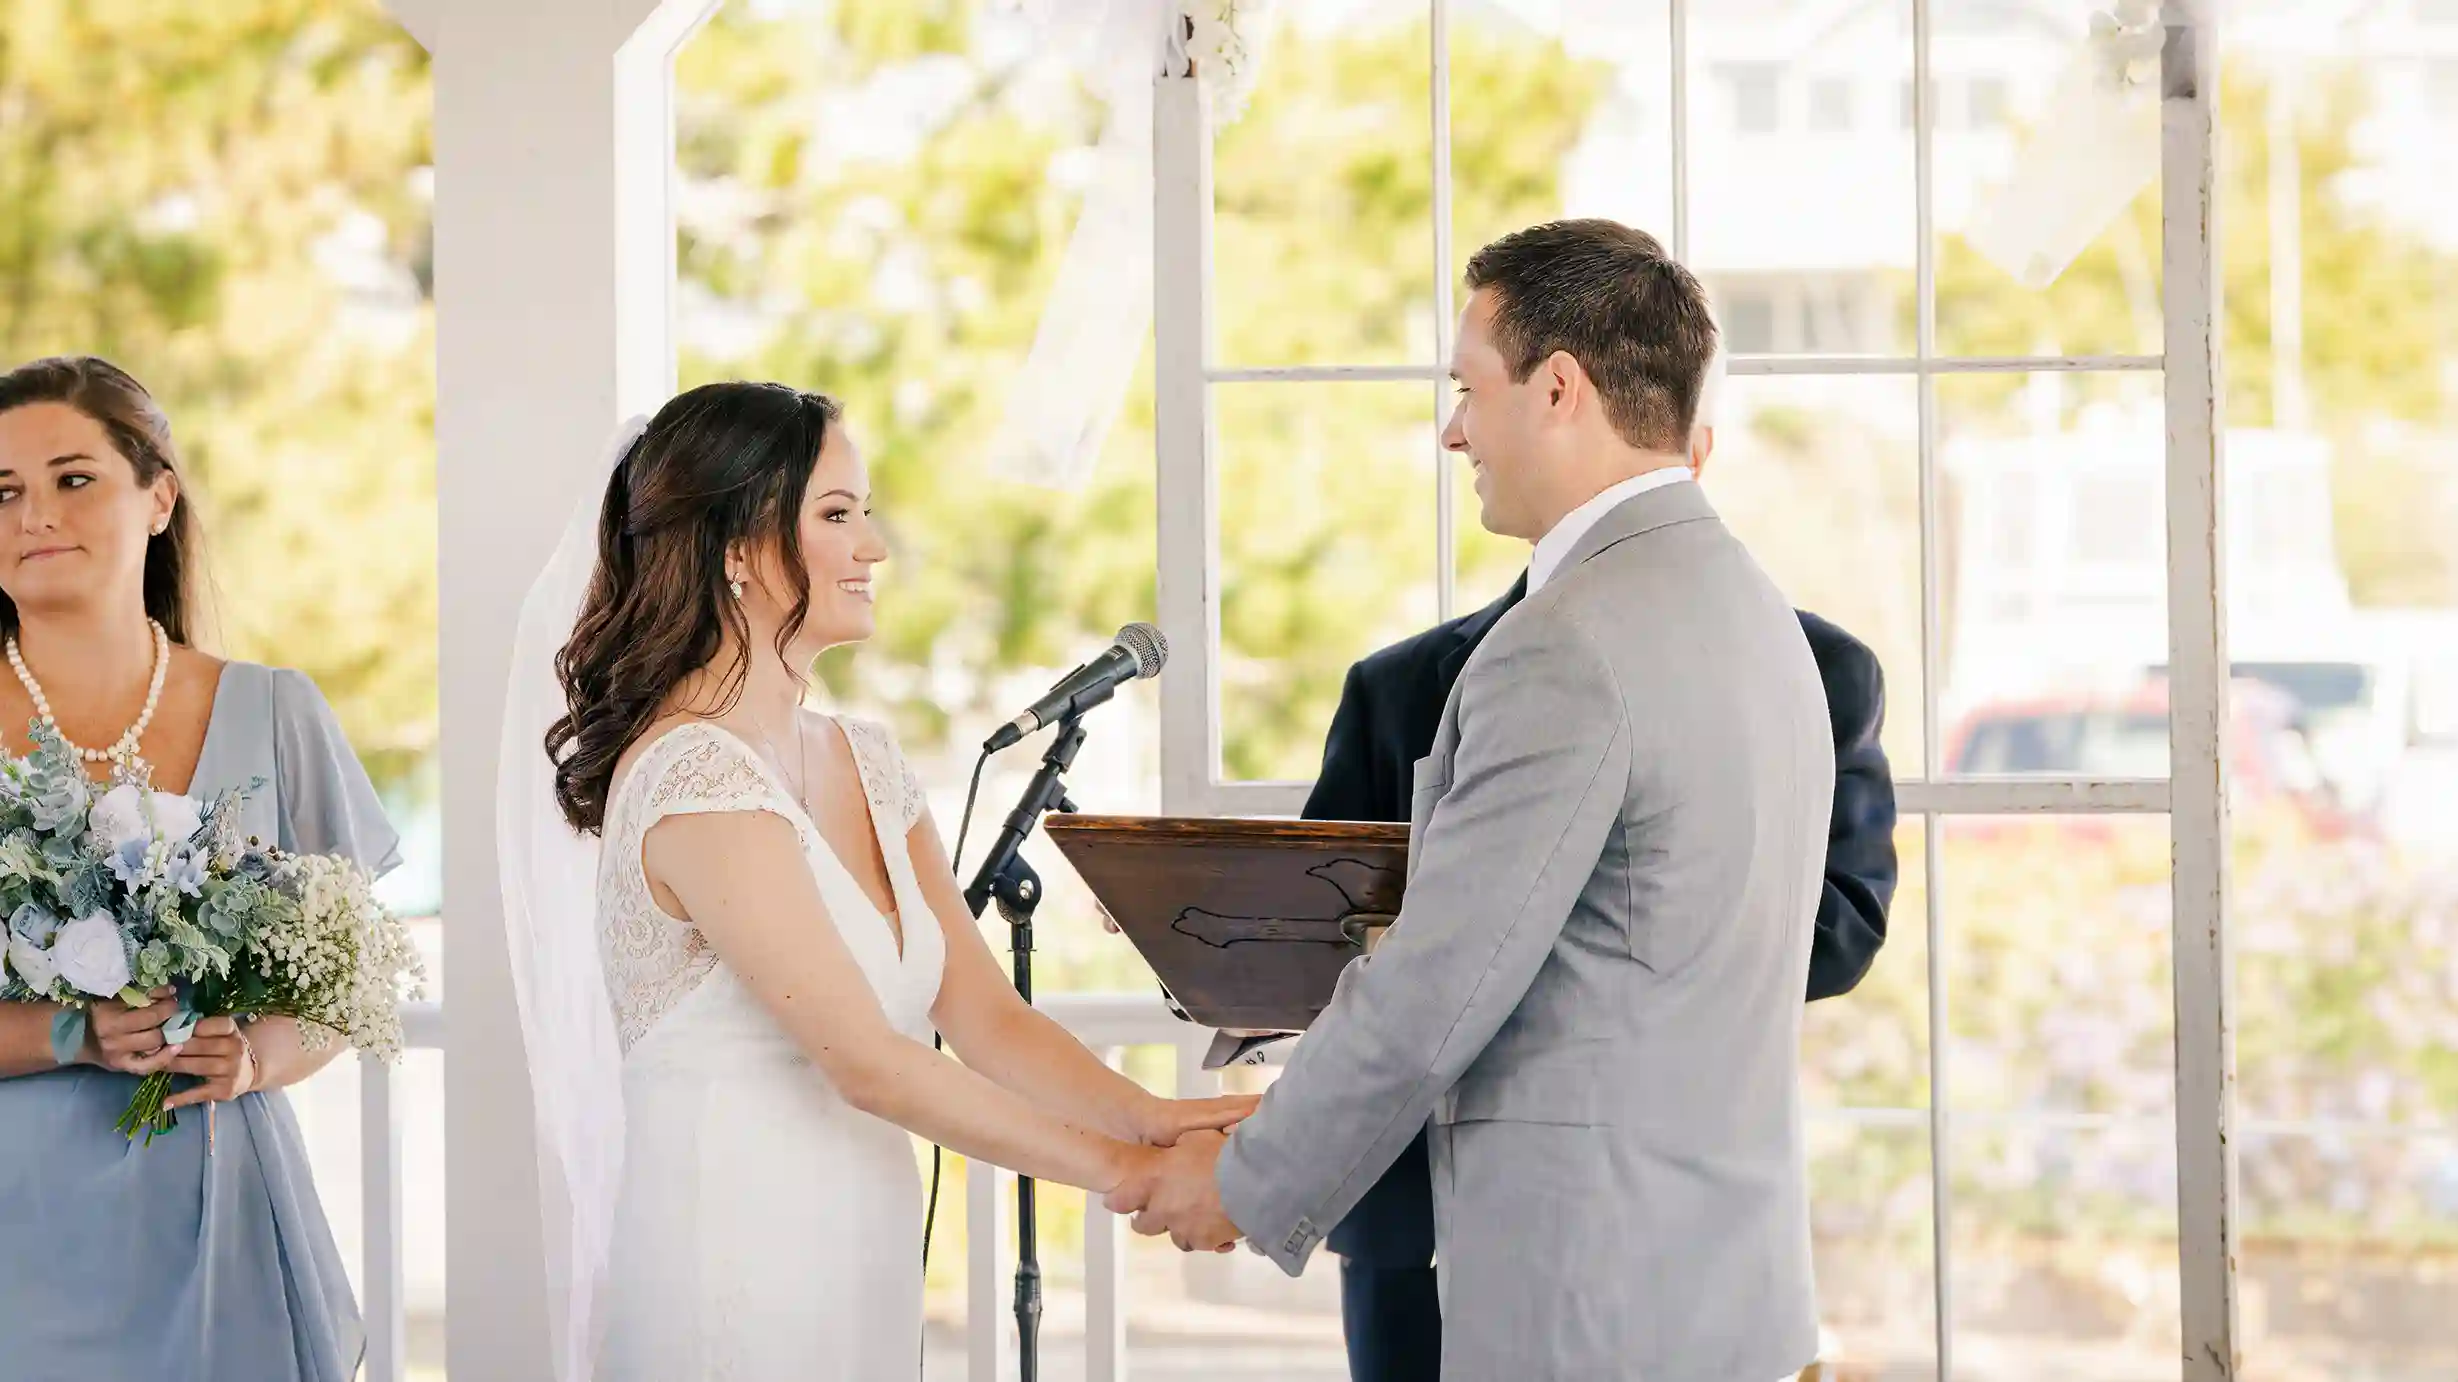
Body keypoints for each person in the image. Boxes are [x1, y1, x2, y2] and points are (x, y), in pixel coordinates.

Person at [1109, 220, 1837, 1381]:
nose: (1454, 429)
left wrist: (1248, 1186)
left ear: (1558, 388)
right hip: (1731, 1285)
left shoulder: (1564, 644)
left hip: (1590, 1291)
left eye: (1467, 386)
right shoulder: (1756, 616)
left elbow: (1440, 983)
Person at [502, 380, 1256, 1382]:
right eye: (836, 514)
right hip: (732, 1269)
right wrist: (1130, 1174)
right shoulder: (692, 775)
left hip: (858, 1254)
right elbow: (866, 1060)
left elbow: (987, 1016)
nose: (875, 546)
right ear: (736, 546)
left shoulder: (868, 757)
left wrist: (1153, 1114)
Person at [1299, 348, 1897, 1381]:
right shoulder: (1396, 683)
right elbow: (1319, 918)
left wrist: (1565, 933)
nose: (1453, 432)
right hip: (1402, 1204)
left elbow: (1837, 929)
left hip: (1627, 1208)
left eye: (1466, 394)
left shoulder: (1813, 666)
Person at [0, 355, 400, 1381]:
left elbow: (345, 989)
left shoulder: (276, 709)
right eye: (3, 492)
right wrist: (71, 1031)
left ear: (159, 496)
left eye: (72, 477)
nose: (35, 513)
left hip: (218, 1214)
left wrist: (258, 1056)